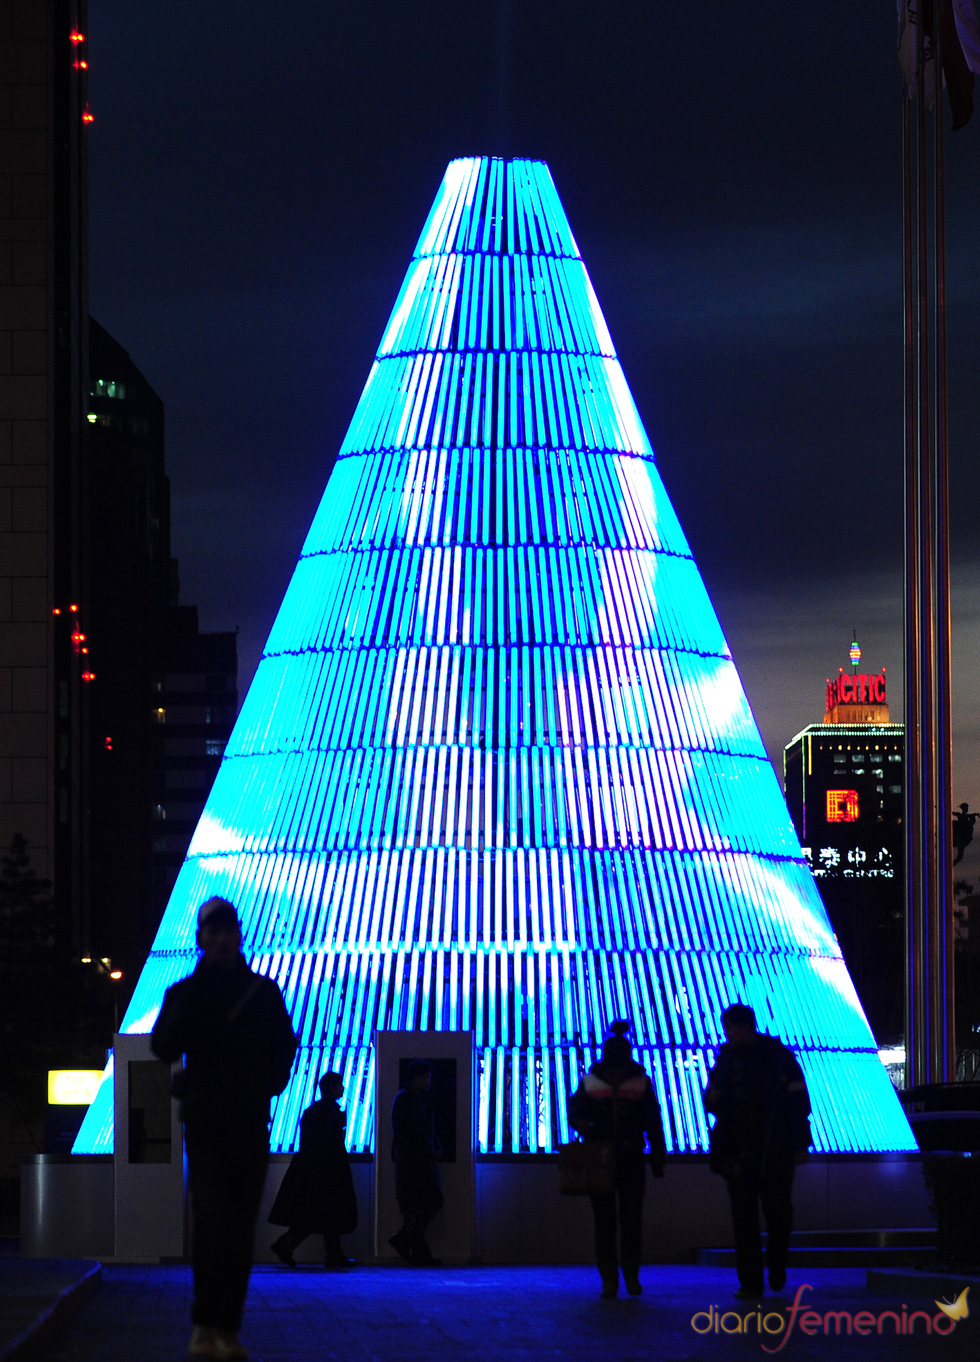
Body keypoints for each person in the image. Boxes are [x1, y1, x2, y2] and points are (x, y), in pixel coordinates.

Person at [151, 897, 296, 1360]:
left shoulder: (262, 993)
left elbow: (284, 1047)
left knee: (238, 1227)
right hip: (209, 1123)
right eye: (209, 932)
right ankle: (205, 1324)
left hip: (250, 1120)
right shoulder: (186, 993)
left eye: (224, 930)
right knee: (213, 1222)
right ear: (200, 938)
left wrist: (267, 1086)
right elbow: (162, 1043)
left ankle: (227, 1327)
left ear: (236, 935)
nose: (217, 939)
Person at [703, 1003, 811, 1300]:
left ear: (743, 1027)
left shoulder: (775, 1058)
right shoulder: (735, 1058)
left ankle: (769, 1269)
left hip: (768, 1147)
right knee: (750, 1216)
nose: (727, 1034)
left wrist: (799, 1143)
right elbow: (712, 1097)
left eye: (730, 1028)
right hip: (746, 1149)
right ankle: (755, 1278)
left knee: (772, 1214)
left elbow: (798, 1103)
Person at [568, 1020, 667, 1299]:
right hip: (632, 1156)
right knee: (630, 1220)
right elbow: (653, 1121)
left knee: (605, 1221)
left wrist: (589, 1127)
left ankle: (610, 1279)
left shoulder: (590, 1081)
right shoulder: (640, 1081)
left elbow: (574, 1113)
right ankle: (630, 1277)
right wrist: (658, 1155)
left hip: (600, 1157)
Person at [269, 1071, 358, 1269]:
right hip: (325, 1172)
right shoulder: (327, 1112)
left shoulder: (316, 1111)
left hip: (315, 1171)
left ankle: (289, 1245)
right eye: (339, 1084)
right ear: (332, 1087)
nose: (343, 1088)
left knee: (316, 1214)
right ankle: (330, 1253)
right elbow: (327, 1145)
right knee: (324, 1213)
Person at [389, 1060, 444, 1265]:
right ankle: (411, 1245)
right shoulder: (407, 1100)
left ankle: (412, 1245)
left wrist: (434, 1146)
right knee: (426, 1203)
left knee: (418, 1206)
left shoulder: (412, 1100)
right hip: (415, 1163)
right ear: (417, 1077)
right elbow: (414, 1131)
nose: (429, 1082)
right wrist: (433, 1148)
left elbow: (423, 1130)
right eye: (427, 1077)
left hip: (415, 1162)